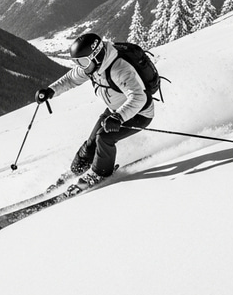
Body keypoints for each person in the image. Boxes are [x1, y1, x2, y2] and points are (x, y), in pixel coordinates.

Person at [35, 32, 155, 188]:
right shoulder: (91, 67)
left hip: (139, 113)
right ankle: (76, 170)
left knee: (104, 137)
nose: (80, 66)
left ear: (96, 56)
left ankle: (100, 173)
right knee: (92, 143)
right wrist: (51, 90)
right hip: (115, 111)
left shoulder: (120, 69)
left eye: (83, 61)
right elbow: (71, 79)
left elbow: (139, 97)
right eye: (77, 62)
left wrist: (119, 117)